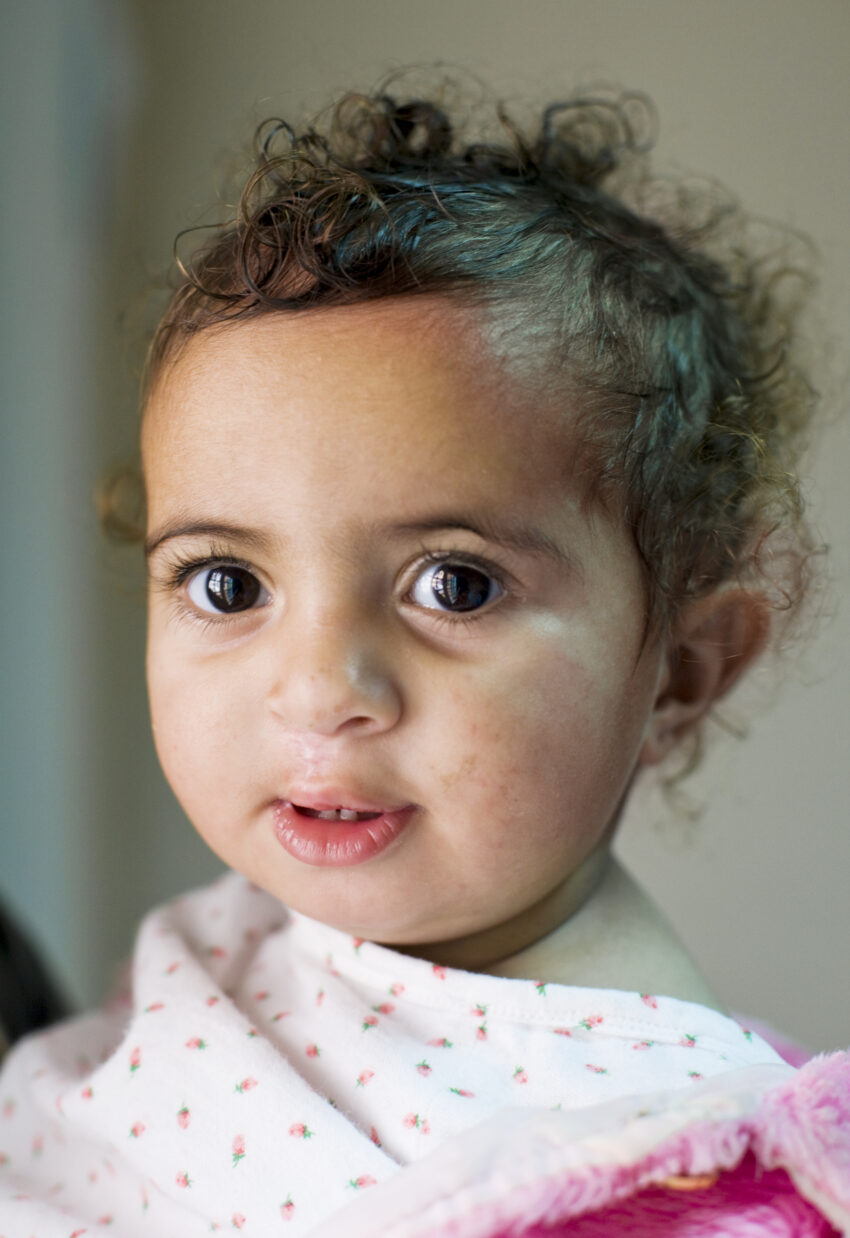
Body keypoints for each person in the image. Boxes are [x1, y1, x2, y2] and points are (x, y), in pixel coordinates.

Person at [1, 85, 847, 1237]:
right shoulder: (238, 945)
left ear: (684, 669)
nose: (315, 690)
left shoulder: (654, 1166)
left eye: (453, 584)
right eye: (228, 584)